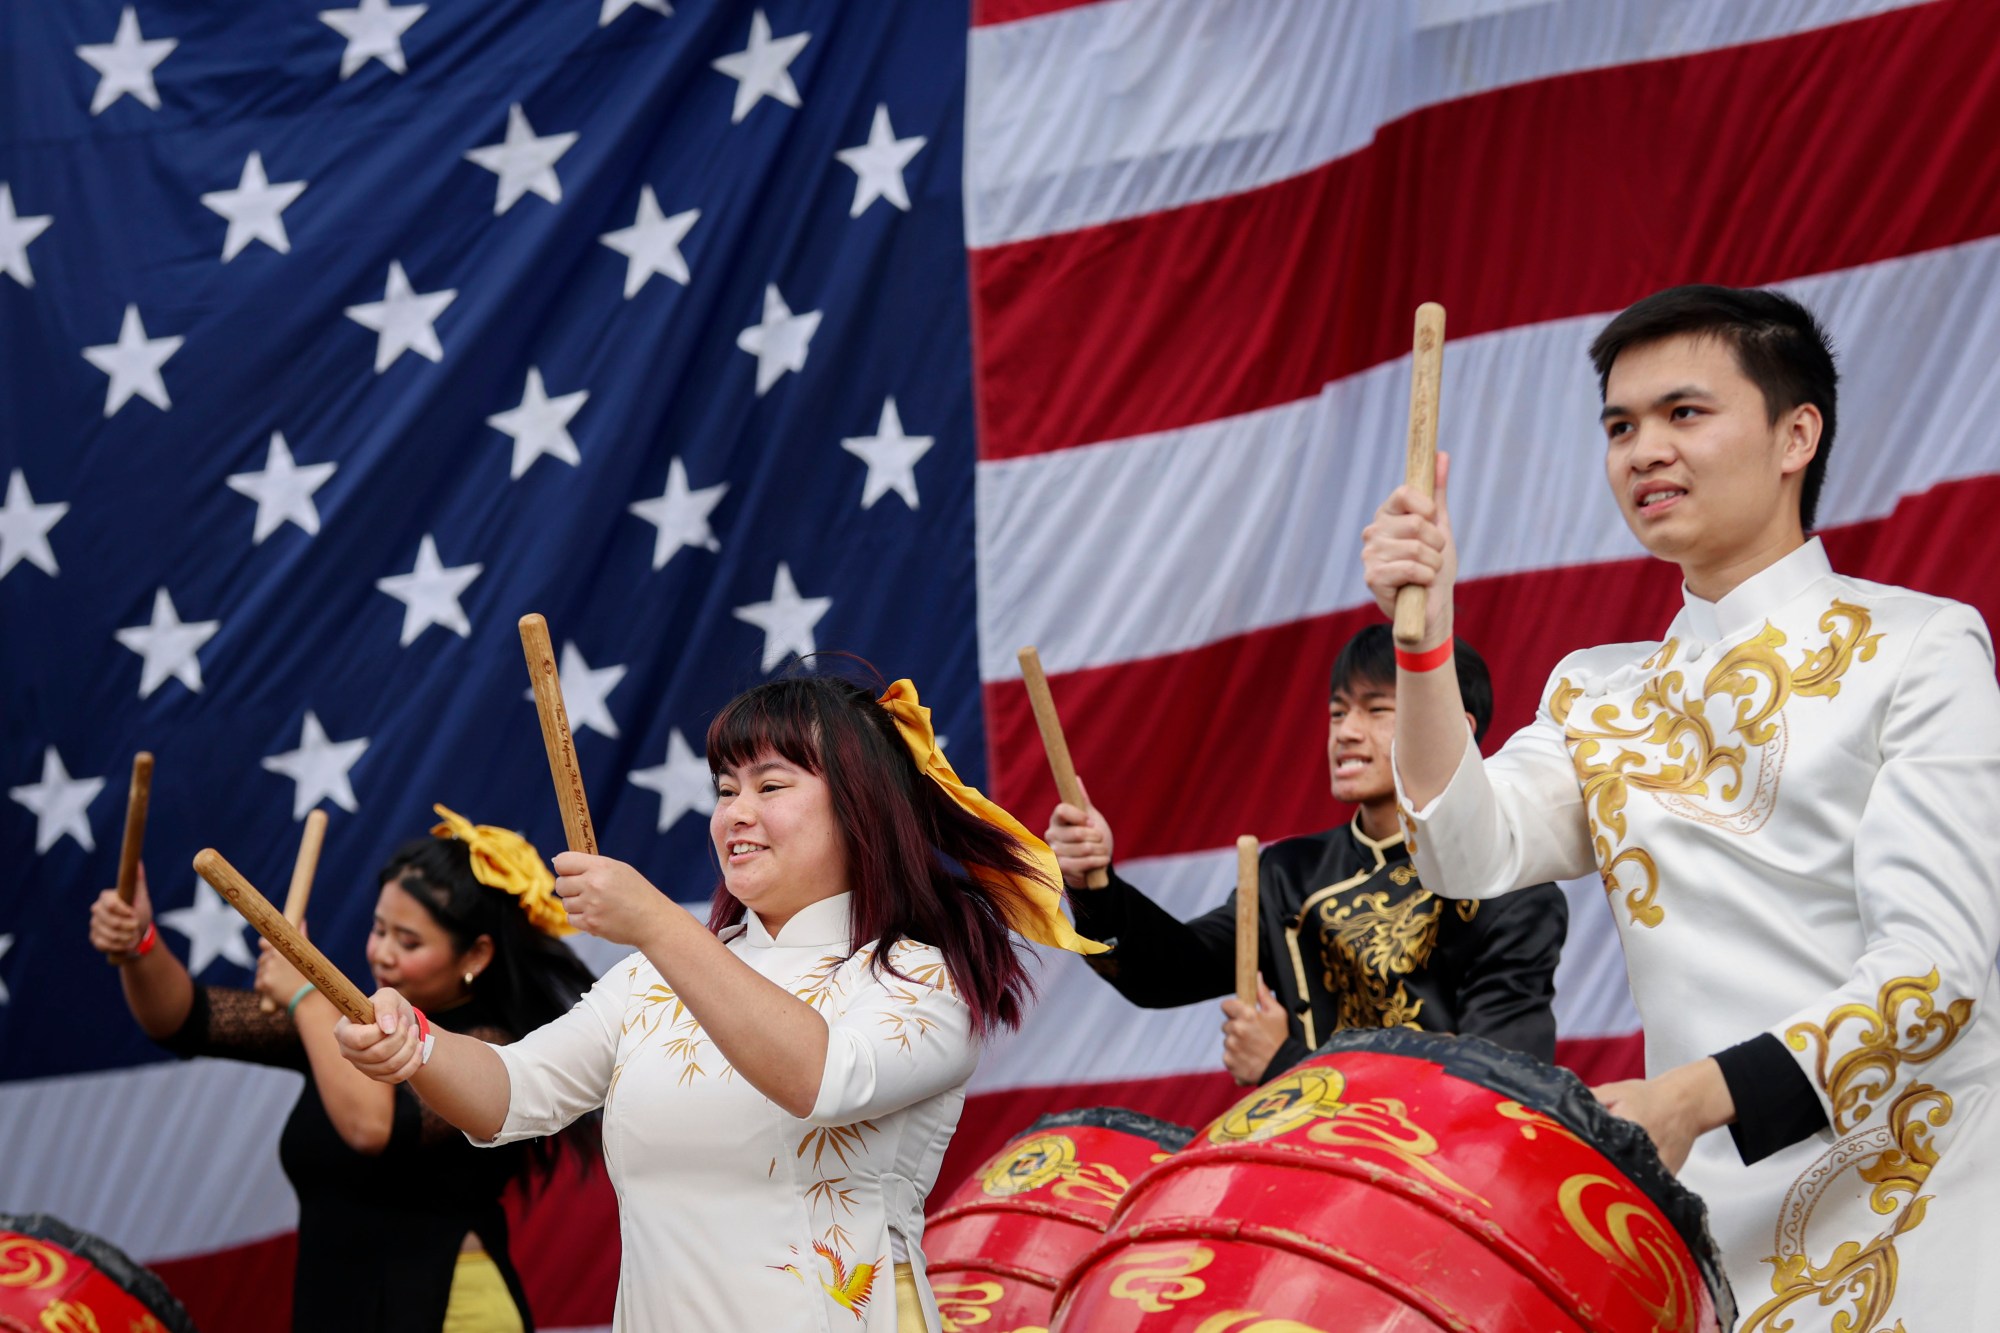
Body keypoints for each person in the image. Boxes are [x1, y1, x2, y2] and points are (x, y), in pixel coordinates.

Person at [1361, 283, 2000, 1327]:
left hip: (1918, 1202)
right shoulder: (1596, 689)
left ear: (1796, 433)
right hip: (1697, 1216)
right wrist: (1419, 641)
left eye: (1682, 413)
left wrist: (1685, 1101)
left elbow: (1932, 976)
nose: (1642, 449)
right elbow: (1462, 852)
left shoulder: (1917, 649)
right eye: (1619, 425)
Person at [333, 673, 1101, 1333]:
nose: (735, 811)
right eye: (725, 789)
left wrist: (659, 921)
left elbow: (821, 1077)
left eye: (770, 785)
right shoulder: (654, 975)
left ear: (861, 809)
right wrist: (419, 1047)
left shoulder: (920, 977)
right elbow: (509, 1095)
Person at [88, 809, 597, 1332]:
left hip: (446, 1310)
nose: (383, 954)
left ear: (477, 953)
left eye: (410, 941)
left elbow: (373, 1127)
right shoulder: (348, 1024)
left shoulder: (492, 1046)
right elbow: (186, 1019)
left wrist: (306, 992)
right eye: (379, 930)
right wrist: (139, 946)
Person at [1045, 625, 1566, 1086]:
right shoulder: (1290, 874)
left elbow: (1497, 1084)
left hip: (1440, 1182)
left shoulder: (1513, 883)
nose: (1346, 731)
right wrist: (1094, 885)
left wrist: (1284, 1064)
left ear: (1457, 729)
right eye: (1338, 711)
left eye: (1377, 710)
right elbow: (1164, 974)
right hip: (1305, 1174)